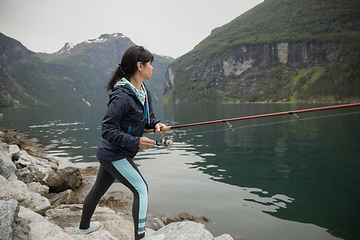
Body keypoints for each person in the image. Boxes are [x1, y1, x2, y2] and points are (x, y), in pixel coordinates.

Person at [75, 45, 167, 240]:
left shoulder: (143, 91)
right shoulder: (121, 96)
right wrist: (136, 141)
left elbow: (148, 119)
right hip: (114, 154)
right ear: (139, 66)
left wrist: (157, 124)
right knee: (141, 189)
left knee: (97, 190)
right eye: (150, 64)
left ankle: (83, 228)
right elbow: (108, 130)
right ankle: (141, 237)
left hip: (112, 153)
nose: (153, 68)